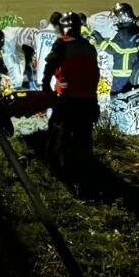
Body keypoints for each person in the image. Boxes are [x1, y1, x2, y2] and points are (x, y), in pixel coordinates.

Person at [43, 11, 102, 176]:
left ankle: (58, 172)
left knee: (59, 134)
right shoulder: (90, 47)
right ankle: (84, 172)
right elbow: (94, 75)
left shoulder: (62, 43)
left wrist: (46, 87)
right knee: (83, 137)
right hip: (88, 100)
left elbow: (50, 66)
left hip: (68, 99)